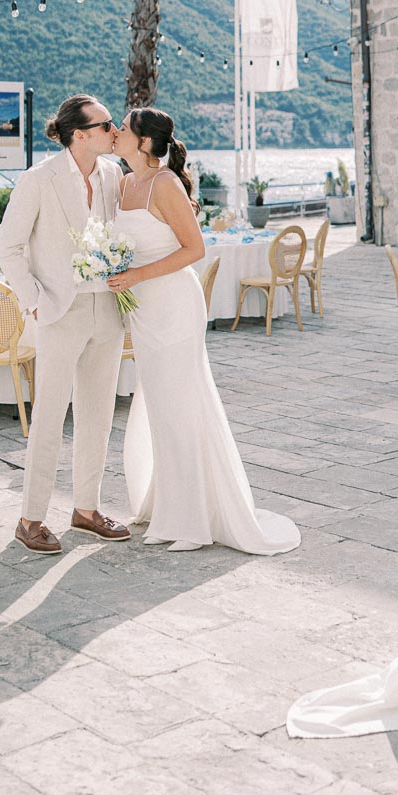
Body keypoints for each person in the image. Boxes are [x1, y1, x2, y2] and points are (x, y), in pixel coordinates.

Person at [109, 107, 301, 555]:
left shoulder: (166, 184)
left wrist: (137, 276)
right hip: (145, 310)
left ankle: (193, 520)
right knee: (158, 406)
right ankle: (168, 505)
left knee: (181, 405)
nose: (116, 131)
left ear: (144, 143)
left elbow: (194, 249)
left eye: (124, 127)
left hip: (174, 305)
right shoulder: (124, 184)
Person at [0, 94, 130, 555]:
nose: (115, 130)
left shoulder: (113, 174)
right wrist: (33, 303)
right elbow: (8, 248)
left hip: (107, 310)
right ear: (80, 135)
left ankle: (86, 510)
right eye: (107, 124)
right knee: (50, 416)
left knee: (98, 414)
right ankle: (30, 518)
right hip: (58, 311)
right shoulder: (39, 179)